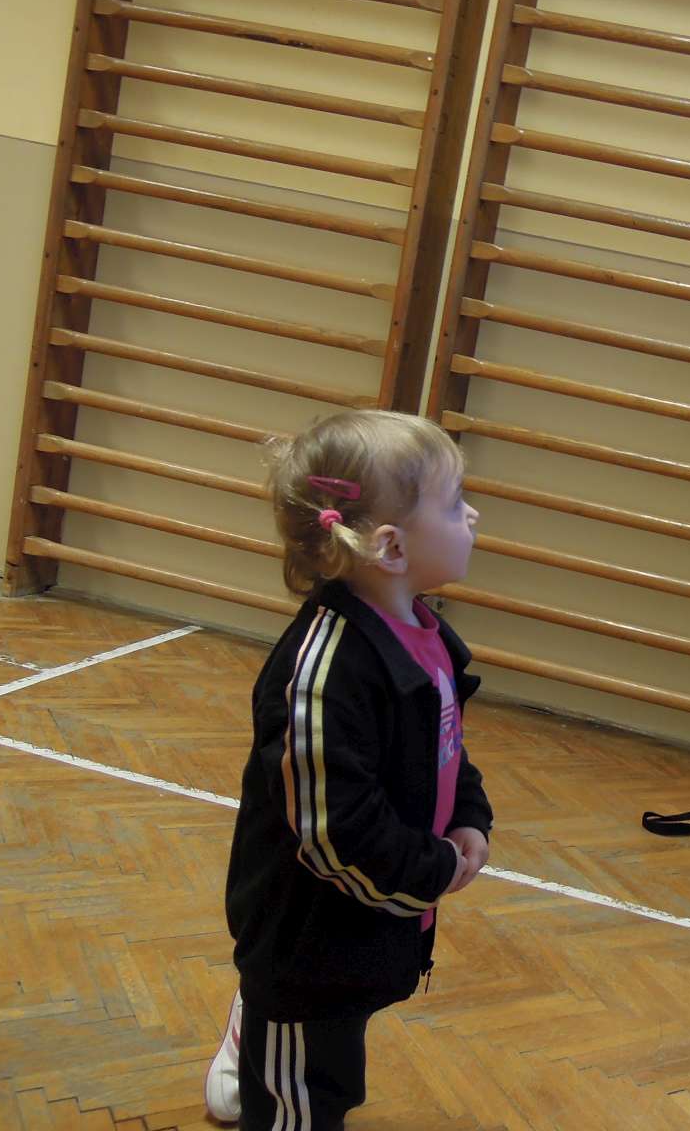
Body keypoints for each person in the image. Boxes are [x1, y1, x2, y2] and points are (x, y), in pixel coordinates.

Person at [202, 410, 491, 1126]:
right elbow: (333, 834)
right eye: (454, 504)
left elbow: (442, 743)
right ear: (391, 547)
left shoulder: (423, 631)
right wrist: (430, 869)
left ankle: (256, 1033)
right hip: (308, 945)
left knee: (326, 1063)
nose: (473, 515)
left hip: (367, 918)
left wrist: (468, 814)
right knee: (304, 1104)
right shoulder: (323, 675)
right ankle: (258, 1026)